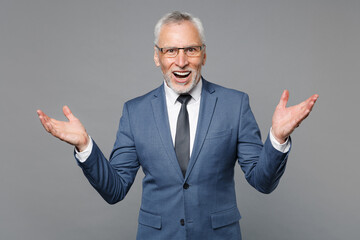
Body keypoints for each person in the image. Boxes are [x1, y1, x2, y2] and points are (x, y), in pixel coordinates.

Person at [37, 11, 318, 240]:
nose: (181, 61)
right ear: (157, 56)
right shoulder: (135, 112)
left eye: (191, 50)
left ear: (204, 55)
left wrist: (278, 139)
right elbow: (115, 189)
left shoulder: (235, 105)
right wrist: (85, 146)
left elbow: (262, 182)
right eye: (171, 50)